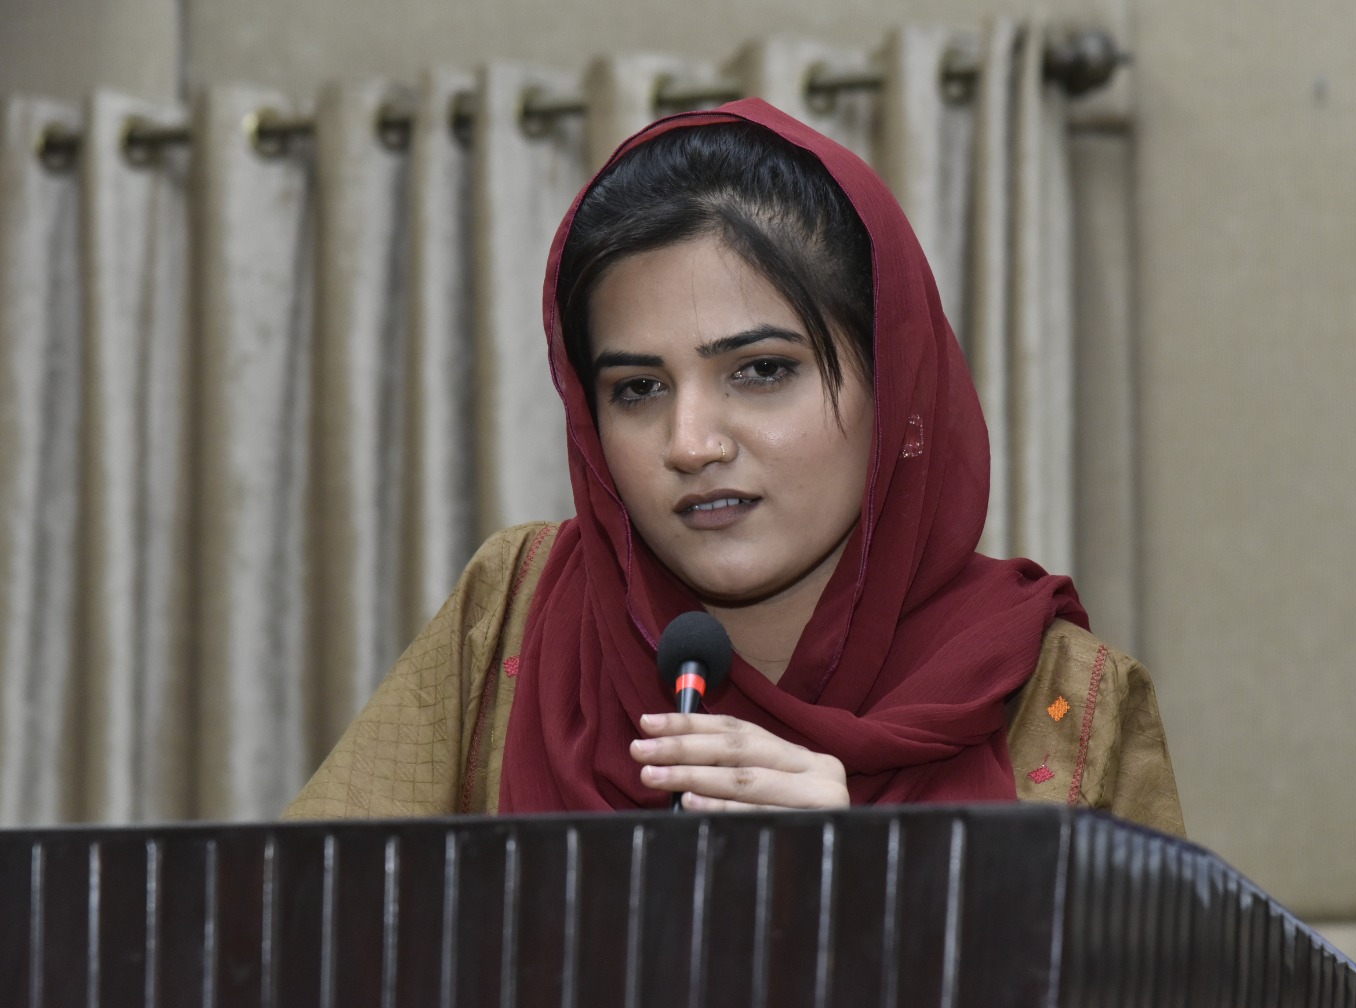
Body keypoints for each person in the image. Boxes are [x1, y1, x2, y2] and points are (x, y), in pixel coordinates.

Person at [285, 99, 1183, 835]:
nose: (690, 443)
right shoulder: (512, 616)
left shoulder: (1061, 702)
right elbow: (291, 946)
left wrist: (885, 895)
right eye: (637, 389)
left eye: (760, 372)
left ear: (896, 387)